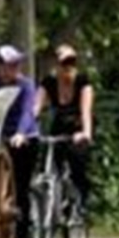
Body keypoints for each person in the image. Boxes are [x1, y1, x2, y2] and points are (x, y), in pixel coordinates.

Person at [0, 45, 39, 238]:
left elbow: (27, 111)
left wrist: (20, 133)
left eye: (17, 64)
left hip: (24, 139)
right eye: (11, 64)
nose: (16, 68)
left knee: (20, 186)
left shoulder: (26, 85)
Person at [37, 43, 94, 206]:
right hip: (59, 126)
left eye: (72, 62)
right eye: (64, 63)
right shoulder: (49, 82)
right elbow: (35, 107)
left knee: (77, 160)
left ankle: (81, 201)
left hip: (78, 126)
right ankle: (51, 205)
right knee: (48, 160)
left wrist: (86, 133)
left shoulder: (83, 82)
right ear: (56, 65)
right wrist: (26, 127)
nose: (68, 67)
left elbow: (86, 110)